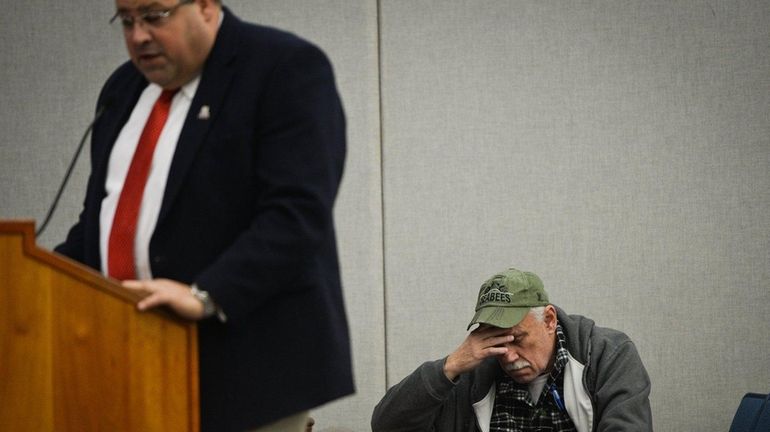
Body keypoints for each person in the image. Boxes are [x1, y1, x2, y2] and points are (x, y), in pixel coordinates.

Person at [54, 0, 354, 430]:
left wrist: (204, 294)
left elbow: (297, 216)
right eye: (126, 20)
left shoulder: (282, 68)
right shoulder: (122, 89)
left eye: (154, 16)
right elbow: (100, 223)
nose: (138, 36)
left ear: (206, 6)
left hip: (247, 368)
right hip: (128, 356)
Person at [371, 268, 652, 431]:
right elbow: (387, 426)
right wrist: (450, 366)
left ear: (549, 320)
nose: (509, 355)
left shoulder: (607, 355)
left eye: (517, 338)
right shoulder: (474, 370)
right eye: (498, 342)